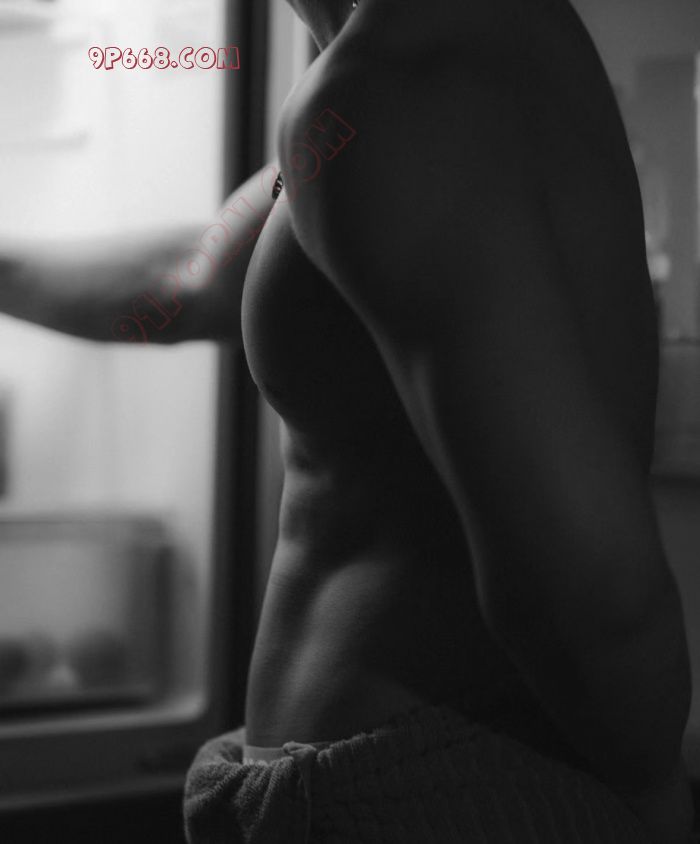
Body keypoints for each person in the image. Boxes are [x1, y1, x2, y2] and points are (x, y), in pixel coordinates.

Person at [1, 0, 695, 841]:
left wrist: (655, 796)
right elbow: (189, 281)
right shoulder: (375, 77)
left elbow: (599, 593)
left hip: (433, 799)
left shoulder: (405, 77)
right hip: (389, 785)